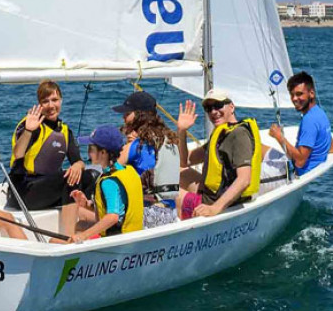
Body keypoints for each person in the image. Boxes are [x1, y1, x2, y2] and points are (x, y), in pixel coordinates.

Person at [9, 80, 96, 212]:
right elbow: (18, 153)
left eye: (54, 100)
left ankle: (88, 219)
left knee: (89, 175)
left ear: (61, 100)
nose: (51, 105)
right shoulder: (31, 125)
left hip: (48, 187)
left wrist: (78, 165)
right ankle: (70, 230)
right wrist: (28, 131)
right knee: (69, 179)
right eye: (45, 101)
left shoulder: (65, 131)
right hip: (24, 190)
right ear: (40, 104)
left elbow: (78, 160)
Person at [177, 89, 262, 219]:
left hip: (217, 203)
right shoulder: (222, 133)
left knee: (170, 194)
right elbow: (186, 161)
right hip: (213, 194)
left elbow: (244, 179)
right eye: (208, 108)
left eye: (218, 106)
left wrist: (214, 208)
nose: (213, 112)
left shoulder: (239, 134)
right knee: (178, 172)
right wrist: (182, 131)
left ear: (231, 107)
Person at [112, 91, 179, 227]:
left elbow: (110, 172)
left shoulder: (135, 146)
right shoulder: (170, 140)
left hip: (148, 214)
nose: (123, 118)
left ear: (139, 115)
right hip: (170, 213)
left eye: (127, 113)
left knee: (87, 213)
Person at [67, 125, 144, 243]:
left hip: (118, 241)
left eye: (91, 149)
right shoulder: (128, 170)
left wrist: (83, 236)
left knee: (53, 241)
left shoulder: (109, 182)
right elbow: (120, 205)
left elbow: (113, 217)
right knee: (80, 225)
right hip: (134, 236)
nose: (88, 153)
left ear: (103, 152)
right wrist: (88, 204)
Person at [269, 71, 332, 176]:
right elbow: (330, 147)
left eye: (299, 94)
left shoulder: (309, 120)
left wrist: (279, 137)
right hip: (313, 170)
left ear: (311, 93)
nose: (294, 99)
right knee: (258, 147)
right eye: (292, 94)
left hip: (296, 173)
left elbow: (300, 162)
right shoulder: (320, 113)